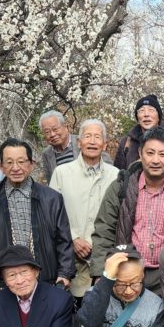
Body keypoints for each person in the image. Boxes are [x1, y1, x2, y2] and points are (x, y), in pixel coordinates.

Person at [91, 125, 164, 292]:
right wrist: (101, 273)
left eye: (163, 154)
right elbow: (104, 230)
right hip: (127, 272)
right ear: (140, 155)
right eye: (150, 153)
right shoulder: (121, 188)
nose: (156, 160)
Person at [0, 137, 74, 290]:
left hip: (45, 278)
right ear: (0, 166)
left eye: (21, 161)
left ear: (32, 164)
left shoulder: (52, 198)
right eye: (9, 162)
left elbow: (64, 239)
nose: (16, 167)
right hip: (3, 283)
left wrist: (64, 274)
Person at [49, 119, 119, 300]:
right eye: (87, 136)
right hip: (70, 260)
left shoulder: (116, 175)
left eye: (98, 137)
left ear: (105, 145)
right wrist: (73, 239)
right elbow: (52, 214)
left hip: (104, 259)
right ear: (79, 143)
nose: (92, 141)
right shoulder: (62, 173)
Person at [113, 95, 164, 171]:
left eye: (151, 110)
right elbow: (118, 174)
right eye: (141, 111)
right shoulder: (126, 143)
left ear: (159, 117)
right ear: (137, 118)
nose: (146, 114)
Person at [37, 109, 112, 184]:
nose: (52, 134)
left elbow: (108, 167)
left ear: (66, 127)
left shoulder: (84, 142)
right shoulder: (46, 154)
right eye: (47, 132)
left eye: (55, 129)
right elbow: (52, 181)